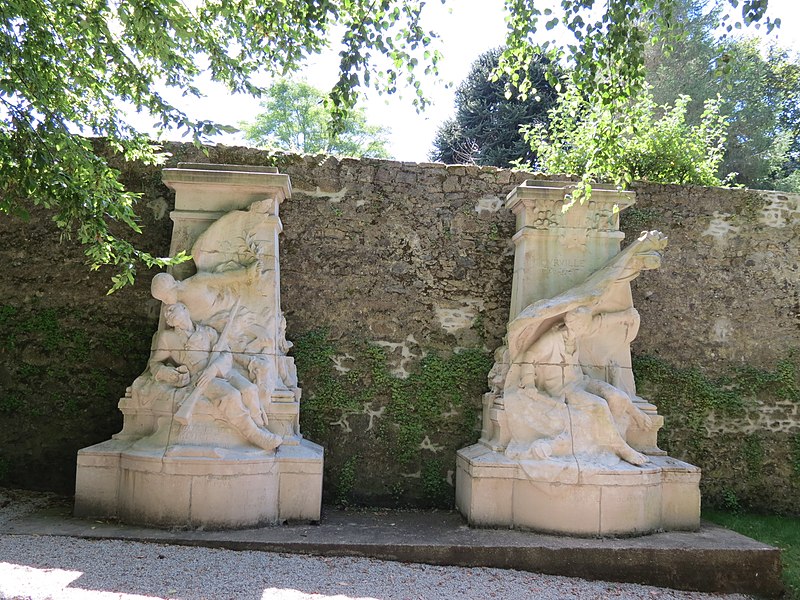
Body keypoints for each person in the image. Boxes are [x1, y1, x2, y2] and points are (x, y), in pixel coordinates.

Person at [507, 306, 652, 465]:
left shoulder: (576, 332)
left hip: (581, 381)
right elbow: (530, 356)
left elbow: (598, 323)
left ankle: (631, 417)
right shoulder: (552, 339)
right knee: (600, 405)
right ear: (576, 326)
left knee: (616, 396)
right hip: (564, 390)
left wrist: (623, 315)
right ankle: (621, 448)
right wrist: (528, 384)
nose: (587, 328)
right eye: (585, 326)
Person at [149, 302, 281, 452]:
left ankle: (258, 423)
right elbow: (154, 364)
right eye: (166, 312)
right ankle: (255, 435)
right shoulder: (167, 337)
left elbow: (226, 354)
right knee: (232, 395)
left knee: (250, 389)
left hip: (220, 370)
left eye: (172, 309)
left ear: (185, 309)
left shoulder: (207, 332)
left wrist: (214, 368)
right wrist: (168, 374)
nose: (167, 314)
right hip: (201, 378)